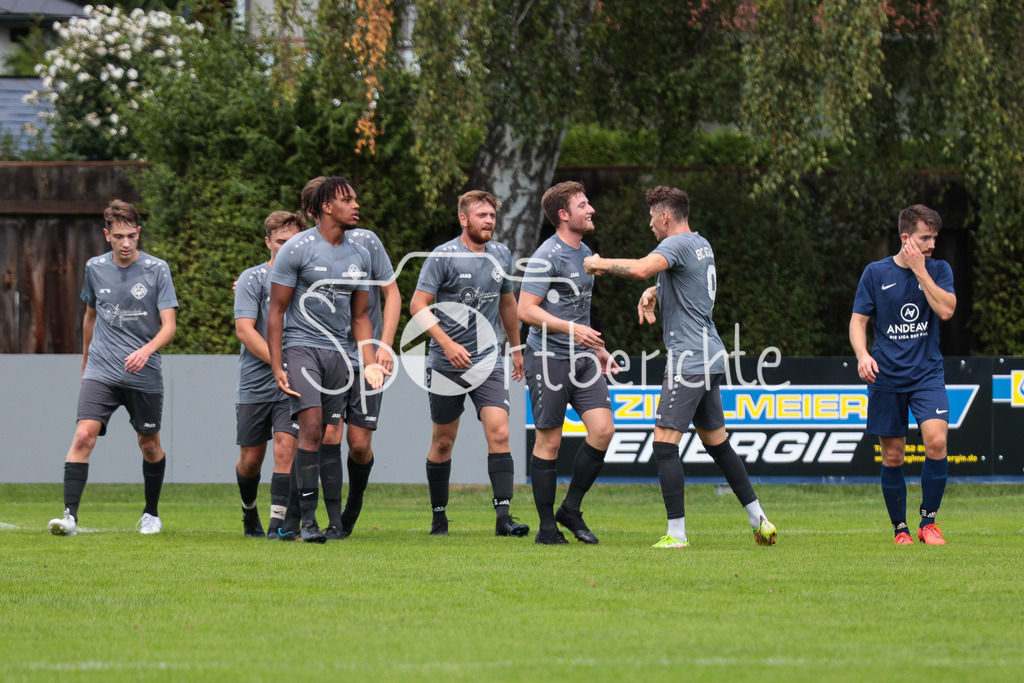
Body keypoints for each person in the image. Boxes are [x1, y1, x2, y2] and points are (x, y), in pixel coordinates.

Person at [583, 186, 777, 549]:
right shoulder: (700, 243)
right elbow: (687, 284)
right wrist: (655, 292)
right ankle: (759, 519)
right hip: (710, 354)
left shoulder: (674, 244)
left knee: (664, 444)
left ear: (665, 216)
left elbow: (641, 269)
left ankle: (677, 534)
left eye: (651, 218)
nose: (650, 225)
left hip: (689, 359)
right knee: (717, 443)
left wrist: (599, 264)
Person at [267, 177, 389, 543]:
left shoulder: (360, 253)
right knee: (312, 428)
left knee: (330, 434)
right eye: (346, 199)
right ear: (326, 207)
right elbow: (276, 312)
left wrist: (369, 361)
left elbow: (361, 316)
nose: (356, 205)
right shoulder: (297, 248)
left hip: (340, 354)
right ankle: (307, 522)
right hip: (301, 347)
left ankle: (332, 522)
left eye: (355, 198)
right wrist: (277, 364)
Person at [48, 199, 178, 536]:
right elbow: (90, 317)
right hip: (101, 370)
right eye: (118, 236)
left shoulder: (157, 269)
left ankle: (151, 514)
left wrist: (146, 351)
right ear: (107, 235)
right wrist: (86, 362)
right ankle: (69, 517)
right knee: (82, 436)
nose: (125, 243)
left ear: (139, 233)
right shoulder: (94, 268)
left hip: (143, 373)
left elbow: (169, 326)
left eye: (131, 236)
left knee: (149, 444)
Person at [410, 190, 529, 538]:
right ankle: (439, 518)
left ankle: (504, 519)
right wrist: (447, 344)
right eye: (482, 215)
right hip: (446, 365)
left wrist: (516, 348)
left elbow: (508, 303)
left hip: (488, 361)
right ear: (464, 219)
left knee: (500, 432)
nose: (489, 220)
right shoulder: (443, 256)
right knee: (443, 441)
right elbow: (417, 305)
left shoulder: (501, 253)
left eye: (492, 215)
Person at [298, 177, 401, 540]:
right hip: (328, 356)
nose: (354, 205)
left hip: (366, 358)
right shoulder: (307, 249)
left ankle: (353, 503)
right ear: (317, 210)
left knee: (358, 444)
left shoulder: (366, 242)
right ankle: (327, 517)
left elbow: (392, 294)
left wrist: (385, 347)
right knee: (328, 433)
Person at [517, 181, 618, 545]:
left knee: (603, 431)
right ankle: (547, 528)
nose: (591, 209)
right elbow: (525, 310)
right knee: (550, 442)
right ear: (563, 215)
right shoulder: (547, 255)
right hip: (548, 358)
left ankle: (570, 509)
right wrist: (573, 330)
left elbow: (578, 310)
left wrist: (597, 347)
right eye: (583, 205)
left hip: (584, 359)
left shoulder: (586, 252)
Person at [850, 204, 956, 545]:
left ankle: (928, 523)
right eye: (925, 238)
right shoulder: (875, 273)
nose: (932, 244)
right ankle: (901, 529)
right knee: (893, 455)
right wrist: (863, 355)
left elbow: (946, 310)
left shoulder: (938, 269)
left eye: (934, 238)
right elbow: (858, 321)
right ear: (906, 237)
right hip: (887, 377)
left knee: (936, 442)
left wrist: (920, 271)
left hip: (927, 374)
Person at [232, 211, 304, 538]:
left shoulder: (309, 282)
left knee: (286, 449)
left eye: (293, 241)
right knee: (251, 460)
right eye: (280, 241)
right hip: (256, 383)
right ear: (267, 242)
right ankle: (249, 512)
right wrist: (280, 364)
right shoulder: (252, 278)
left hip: (293, 383)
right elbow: (245, 331)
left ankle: (278, 526)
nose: (287, 247)